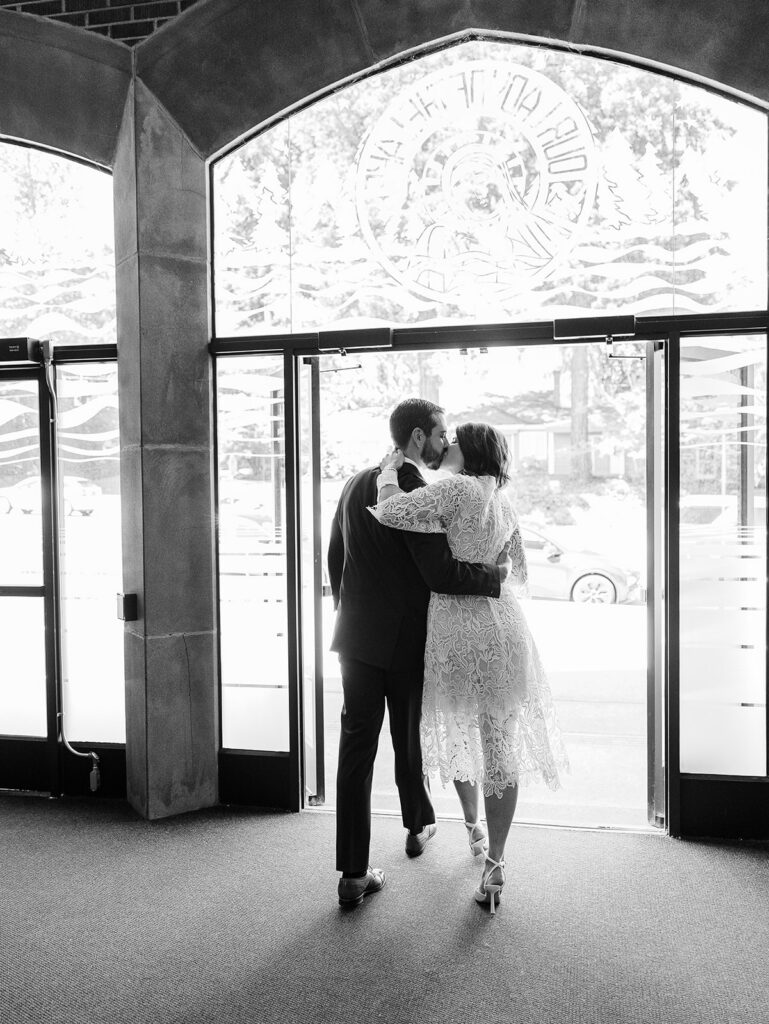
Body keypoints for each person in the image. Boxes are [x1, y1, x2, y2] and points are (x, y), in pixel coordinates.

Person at [371, 422, 569, 914]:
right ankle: (495, 863)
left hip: (459, 631)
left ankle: (473, 828)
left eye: (457, 438)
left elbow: (391, 511)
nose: (450, 443)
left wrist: (388, 474)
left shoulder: (457, 489)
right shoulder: (503, 500)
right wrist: (488, 563)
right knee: (499, 745)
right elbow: (516, 572)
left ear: (472, 450)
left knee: (461, 735)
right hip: (504, 627)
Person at [328, 399, 512, 908]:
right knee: (408, 738)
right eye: (439, 434)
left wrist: (350, 615)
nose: (444, 442)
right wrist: (494, 579)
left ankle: (353, 873)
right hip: (407, 639)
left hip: (355, 638)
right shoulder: (416, 491)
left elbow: (335, 557)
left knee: (355, 752)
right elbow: (439, 572)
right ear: (417, 437)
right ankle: (416, 826)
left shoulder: (355, 482)